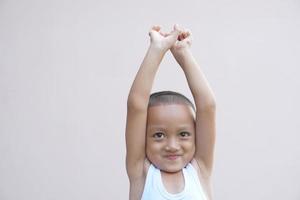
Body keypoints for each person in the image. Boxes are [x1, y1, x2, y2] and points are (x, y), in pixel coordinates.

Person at [125, 24, 216, 200]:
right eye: (159, 135)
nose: (172, 146)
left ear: (197, 135)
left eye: (183, 134)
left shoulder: (200, 171)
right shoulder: (141, 173)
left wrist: (184, 54)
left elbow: (207, 106)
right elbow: (136, 105)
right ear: (143, 138)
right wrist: (156, 50)